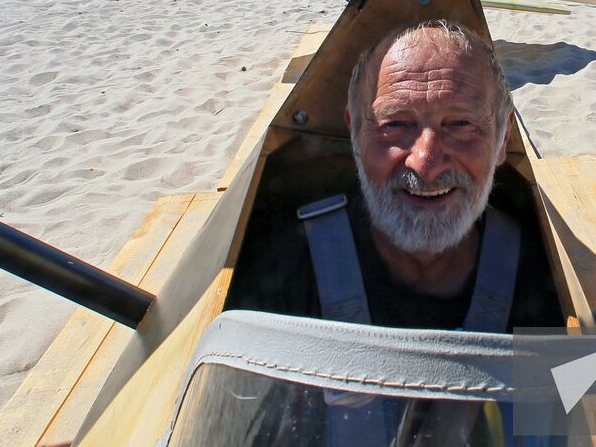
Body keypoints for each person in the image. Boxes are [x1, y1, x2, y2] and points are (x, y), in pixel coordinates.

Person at [229, 20, 560, 332]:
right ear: (355, 135)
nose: (425, 163)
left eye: (460, 125)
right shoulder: (284, 271)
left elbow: (579, 390)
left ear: (503, 140)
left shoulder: (552, 283)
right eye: (395, 124)